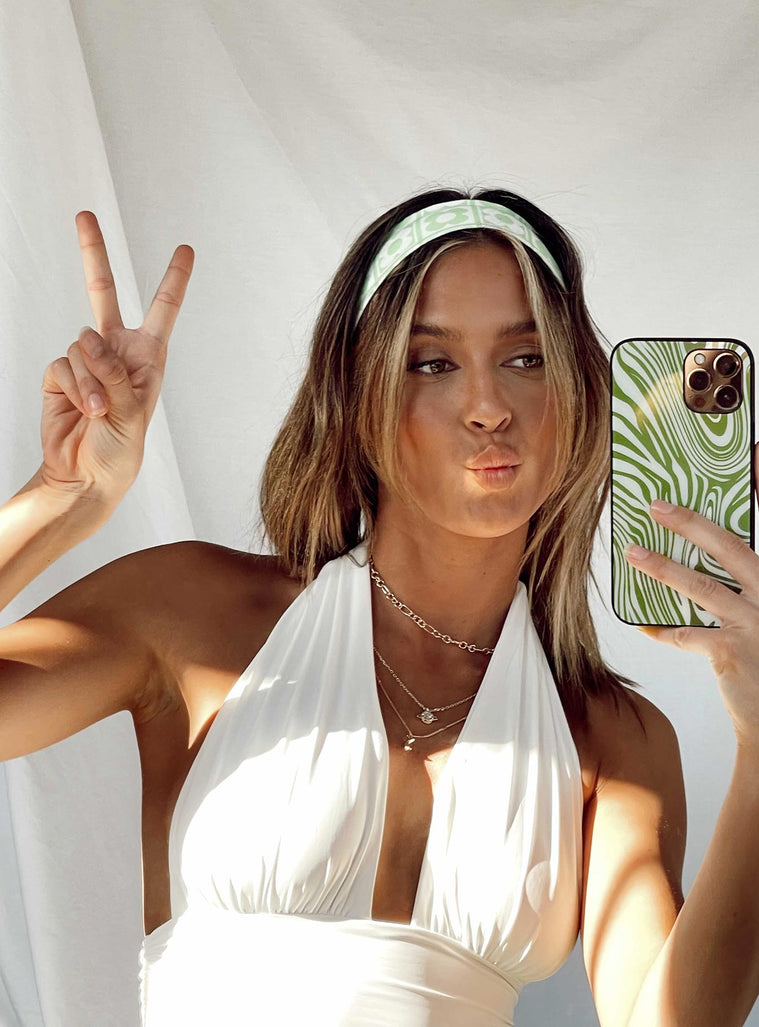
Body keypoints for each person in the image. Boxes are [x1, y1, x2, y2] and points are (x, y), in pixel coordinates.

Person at [1, 188, 758, 1027]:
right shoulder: (198, 615)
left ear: (579, 395)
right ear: (358, 397)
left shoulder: (612, 737)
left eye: (526, 357)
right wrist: (61, 500)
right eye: (432, 363)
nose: (488, 408)